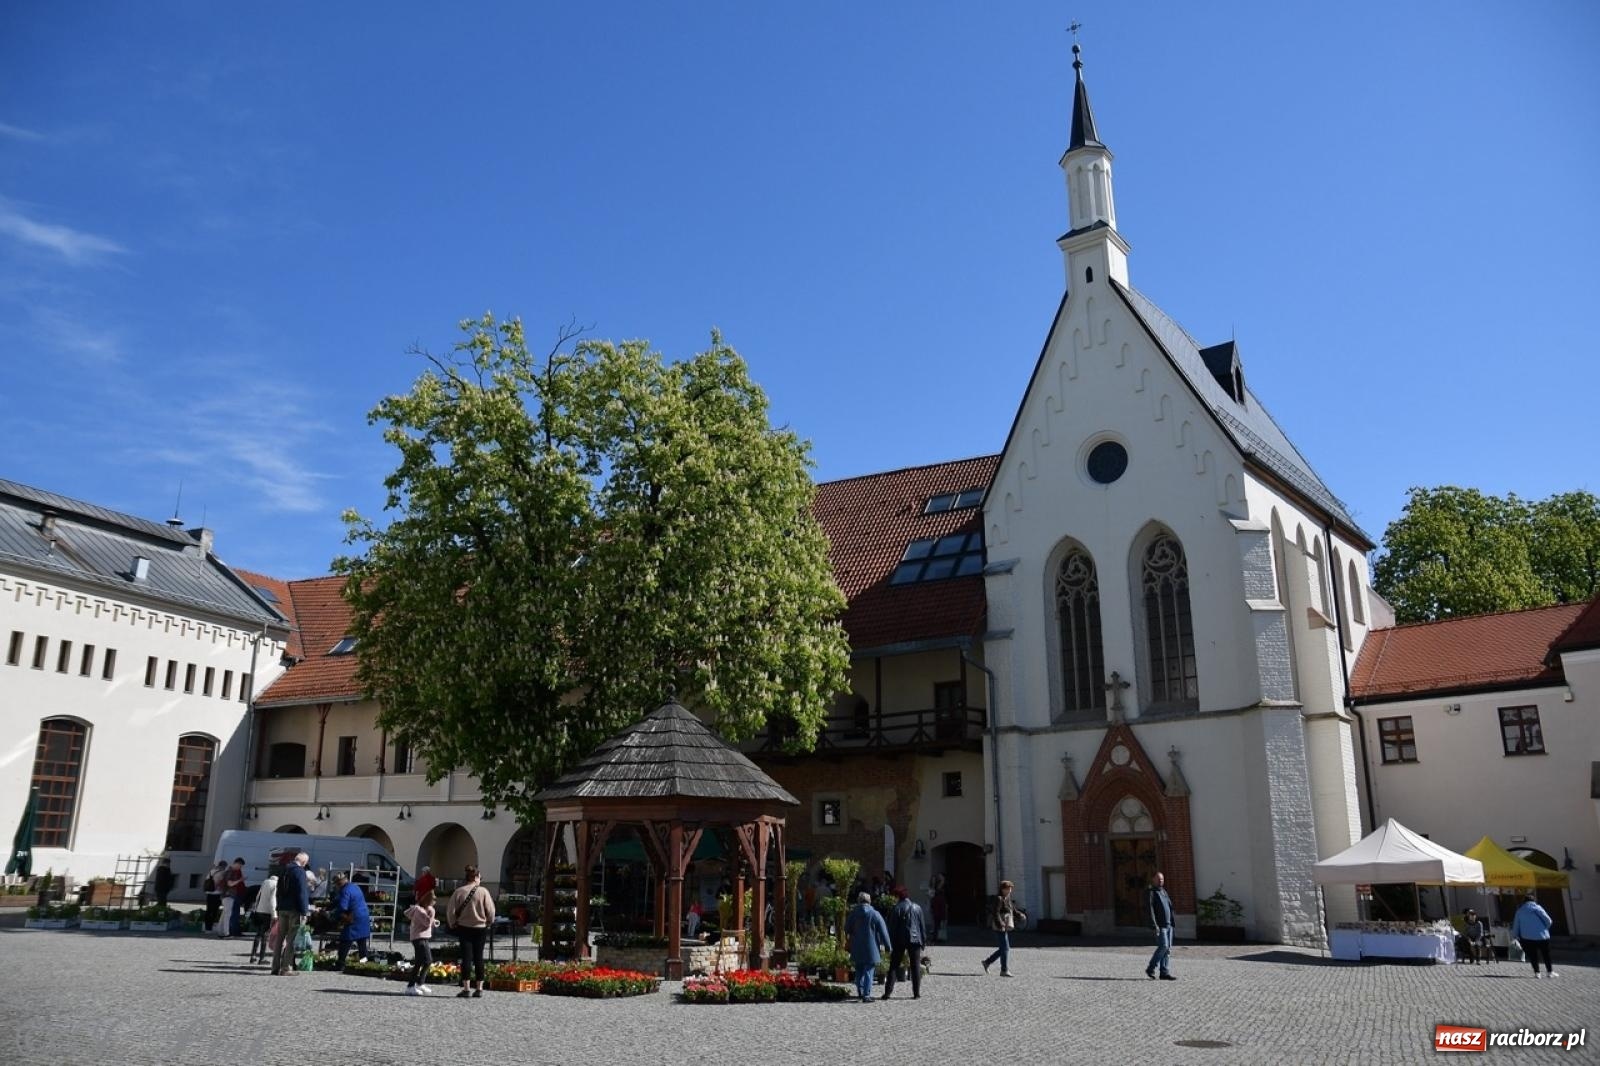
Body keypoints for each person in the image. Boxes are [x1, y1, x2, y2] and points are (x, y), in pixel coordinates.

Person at [447, 864, 496, 998]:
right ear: (476, 877)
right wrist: (489, 921)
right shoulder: (483, 891)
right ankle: (479, 988)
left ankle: (466, 988)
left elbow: (450, 911)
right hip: (480, 928)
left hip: (464, 928)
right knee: (479, 957)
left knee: (466, 958)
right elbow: (491, 911)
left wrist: (452, 923)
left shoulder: (459, 891)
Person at [843, 891, 891, 1003]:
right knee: (869, 971)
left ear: (859, 901)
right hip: (871, 947)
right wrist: (888, 946)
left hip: (857, 946)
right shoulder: (875, 914)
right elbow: (883, 932)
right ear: (869, 901)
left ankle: (860, 991)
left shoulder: (853, 913)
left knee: (859, 970)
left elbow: (846, 928)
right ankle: (866, 994)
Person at [270, 851, 312, 977]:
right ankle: (286, 968)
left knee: (280, 938)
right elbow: (301, 893)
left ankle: (274, 967)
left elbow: (278, 890)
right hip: (294, 909)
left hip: (282, 908)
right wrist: (304, 910)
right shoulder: (299, 871)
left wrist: (278, 907)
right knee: (291, 939)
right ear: (304, 862)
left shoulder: (284, 869)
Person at [882, 886, 928, 1000]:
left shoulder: (897, 908)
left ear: (897, 896)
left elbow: (892, 928)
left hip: (899, 940)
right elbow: (922, 927)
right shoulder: (917, 907)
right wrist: (923, 941)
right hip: (915, 940)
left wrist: (890, 943)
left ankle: (888, 992)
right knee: (915, 966)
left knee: (894, 965)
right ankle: (916, 993)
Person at [981, 880, 1026, 976]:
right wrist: (1000, 924)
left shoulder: (1008, 898)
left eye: (1010, 889)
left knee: (1004, 948)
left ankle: (987, 962)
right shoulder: (999, 899)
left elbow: (1013, 910)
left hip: (1005, 925)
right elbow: (995, 913)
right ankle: (1004, 970)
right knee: (1005, 948)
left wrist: (1020, 915)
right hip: (1000, 926)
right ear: (1002, 889)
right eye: (1007, 889)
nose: (1009, 890)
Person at [331, 871, 372, 970]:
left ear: (339, 883)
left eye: (336, 884)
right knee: (362, 941)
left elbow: (342, 907)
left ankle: (340, 964)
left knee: (345, 940)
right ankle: (364, 963)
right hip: (364, 915)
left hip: (354, 917)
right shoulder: (355, 886)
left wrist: (332, 914)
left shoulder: (345, 890)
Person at [1511, 893, 1556, 978]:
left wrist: (1515, 935)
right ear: (1533, 900)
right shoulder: (1538, 908)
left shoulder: (1519, 911)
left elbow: (1516, 925)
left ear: (1524, 902)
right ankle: (1549, 972)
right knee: (1546, 954)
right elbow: (1549, 920)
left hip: (1527, 937)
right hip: (1542, 936)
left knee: (1533, 955)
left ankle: (1537, 973)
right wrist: (1544, 928)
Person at [403, 889, 437, 996]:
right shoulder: (419, 911)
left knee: (421, 961)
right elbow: (426, 923)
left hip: (422, 937)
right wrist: (432, 914)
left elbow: (426, 922)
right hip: (419, 938)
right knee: (427, 960)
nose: (433, 904)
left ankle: (419, 983)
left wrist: (433, 921)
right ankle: (411, 986)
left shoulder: (422, 910)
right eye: (433, 902)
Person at [1146, 871, 1176, 981]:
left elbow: (1169, 907)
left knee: (1168, 950)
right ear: (1153, 879)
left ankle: (1164, 972)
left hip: (1169, 925)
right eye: (1158, 879)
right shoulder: (1151, 892)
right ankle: (1151, 968)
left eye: (1162, 879)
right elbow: (1150, 910)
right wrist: (1154, 925)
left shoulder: (1163, 891)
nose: (1161, 881)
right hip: (1160, 925)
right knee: (1163, 946)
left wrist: (1172, 923)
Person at [249, 869, 280, 964]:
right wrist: (274, 914)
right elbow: (272, 899)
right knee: (265, 935)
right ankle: (261, 958)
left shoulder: (265, 882)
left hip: (259, 910)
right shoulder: (275, 885)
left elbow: (258, 896)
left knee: (258, 934)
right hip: (267, 912)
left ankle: (253, 956)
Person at [203, 860, 227, 934]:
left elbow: (206, 880)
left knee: (208, 910)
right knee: (214, 911)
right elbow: (220, 883)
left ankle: (207, 927)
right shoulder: (222, 873)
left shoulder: (212, 871)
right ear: (223, 866)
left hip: (209, 893)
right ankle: (210, 927)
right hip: (216, 893)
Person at [929, 874, 947, 943]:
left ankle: (940, 937)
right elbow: (931, 895)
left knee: (941, 922)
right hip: (936, 906)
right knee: (936, 922)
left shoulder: (943, 887)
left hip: (941, 906)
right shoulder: (933, 887)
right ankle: (935, 937)